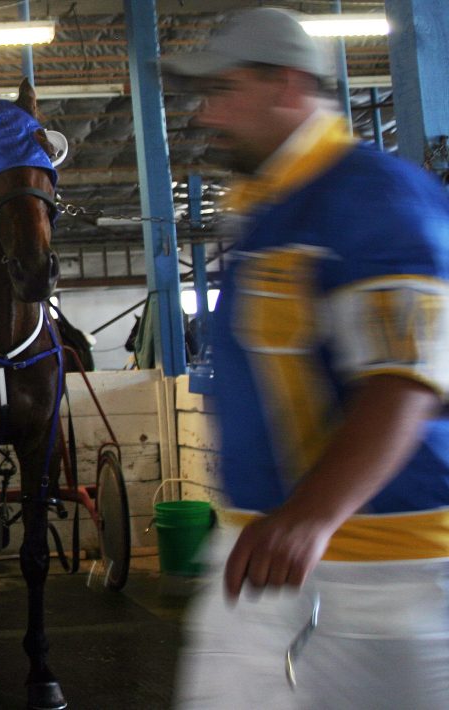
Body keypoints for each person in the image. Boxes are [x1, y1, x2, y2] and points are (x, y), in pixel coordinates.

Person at [161, 8, 449, 708]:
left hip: (388, 571)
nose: (206, 113)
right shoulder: (268, 211)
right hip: (263, 557)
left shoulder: (372, 195)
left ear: (286, 85)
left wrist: (313, 515)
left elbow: (406, 380)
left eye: (223, 90)